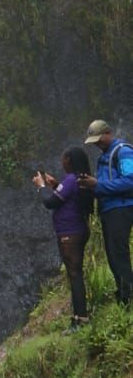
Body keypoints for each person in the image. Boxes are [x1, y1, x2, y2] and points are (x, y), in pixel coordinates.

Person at [32, 147, 93, 327]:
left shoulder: (71, 179)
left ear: (69, 161)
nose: (62, 162)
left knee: (74, 274)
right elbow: (68, 197)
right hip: (78, 230)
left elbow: (51, 202)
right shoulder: (79, 180)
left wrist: (41, 187)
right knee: (76, 273)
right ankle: (79, 317)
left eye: (64, 159)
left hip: (70, 233)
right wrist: (55, 185)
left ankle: (81, 319)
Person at [79, 120, 133, 306]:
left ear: (108, 133)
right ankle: (123, 292)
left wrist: (98, 185)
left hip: (121, 207)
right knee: (112, 254)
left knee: (119, 252)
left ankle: (128, 296)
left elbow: (130, 181)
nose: (96, 144)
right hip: (109, 210)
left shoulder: (123, 151)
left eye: (99, 139)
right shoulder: (105, 156)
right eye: (94, 141)